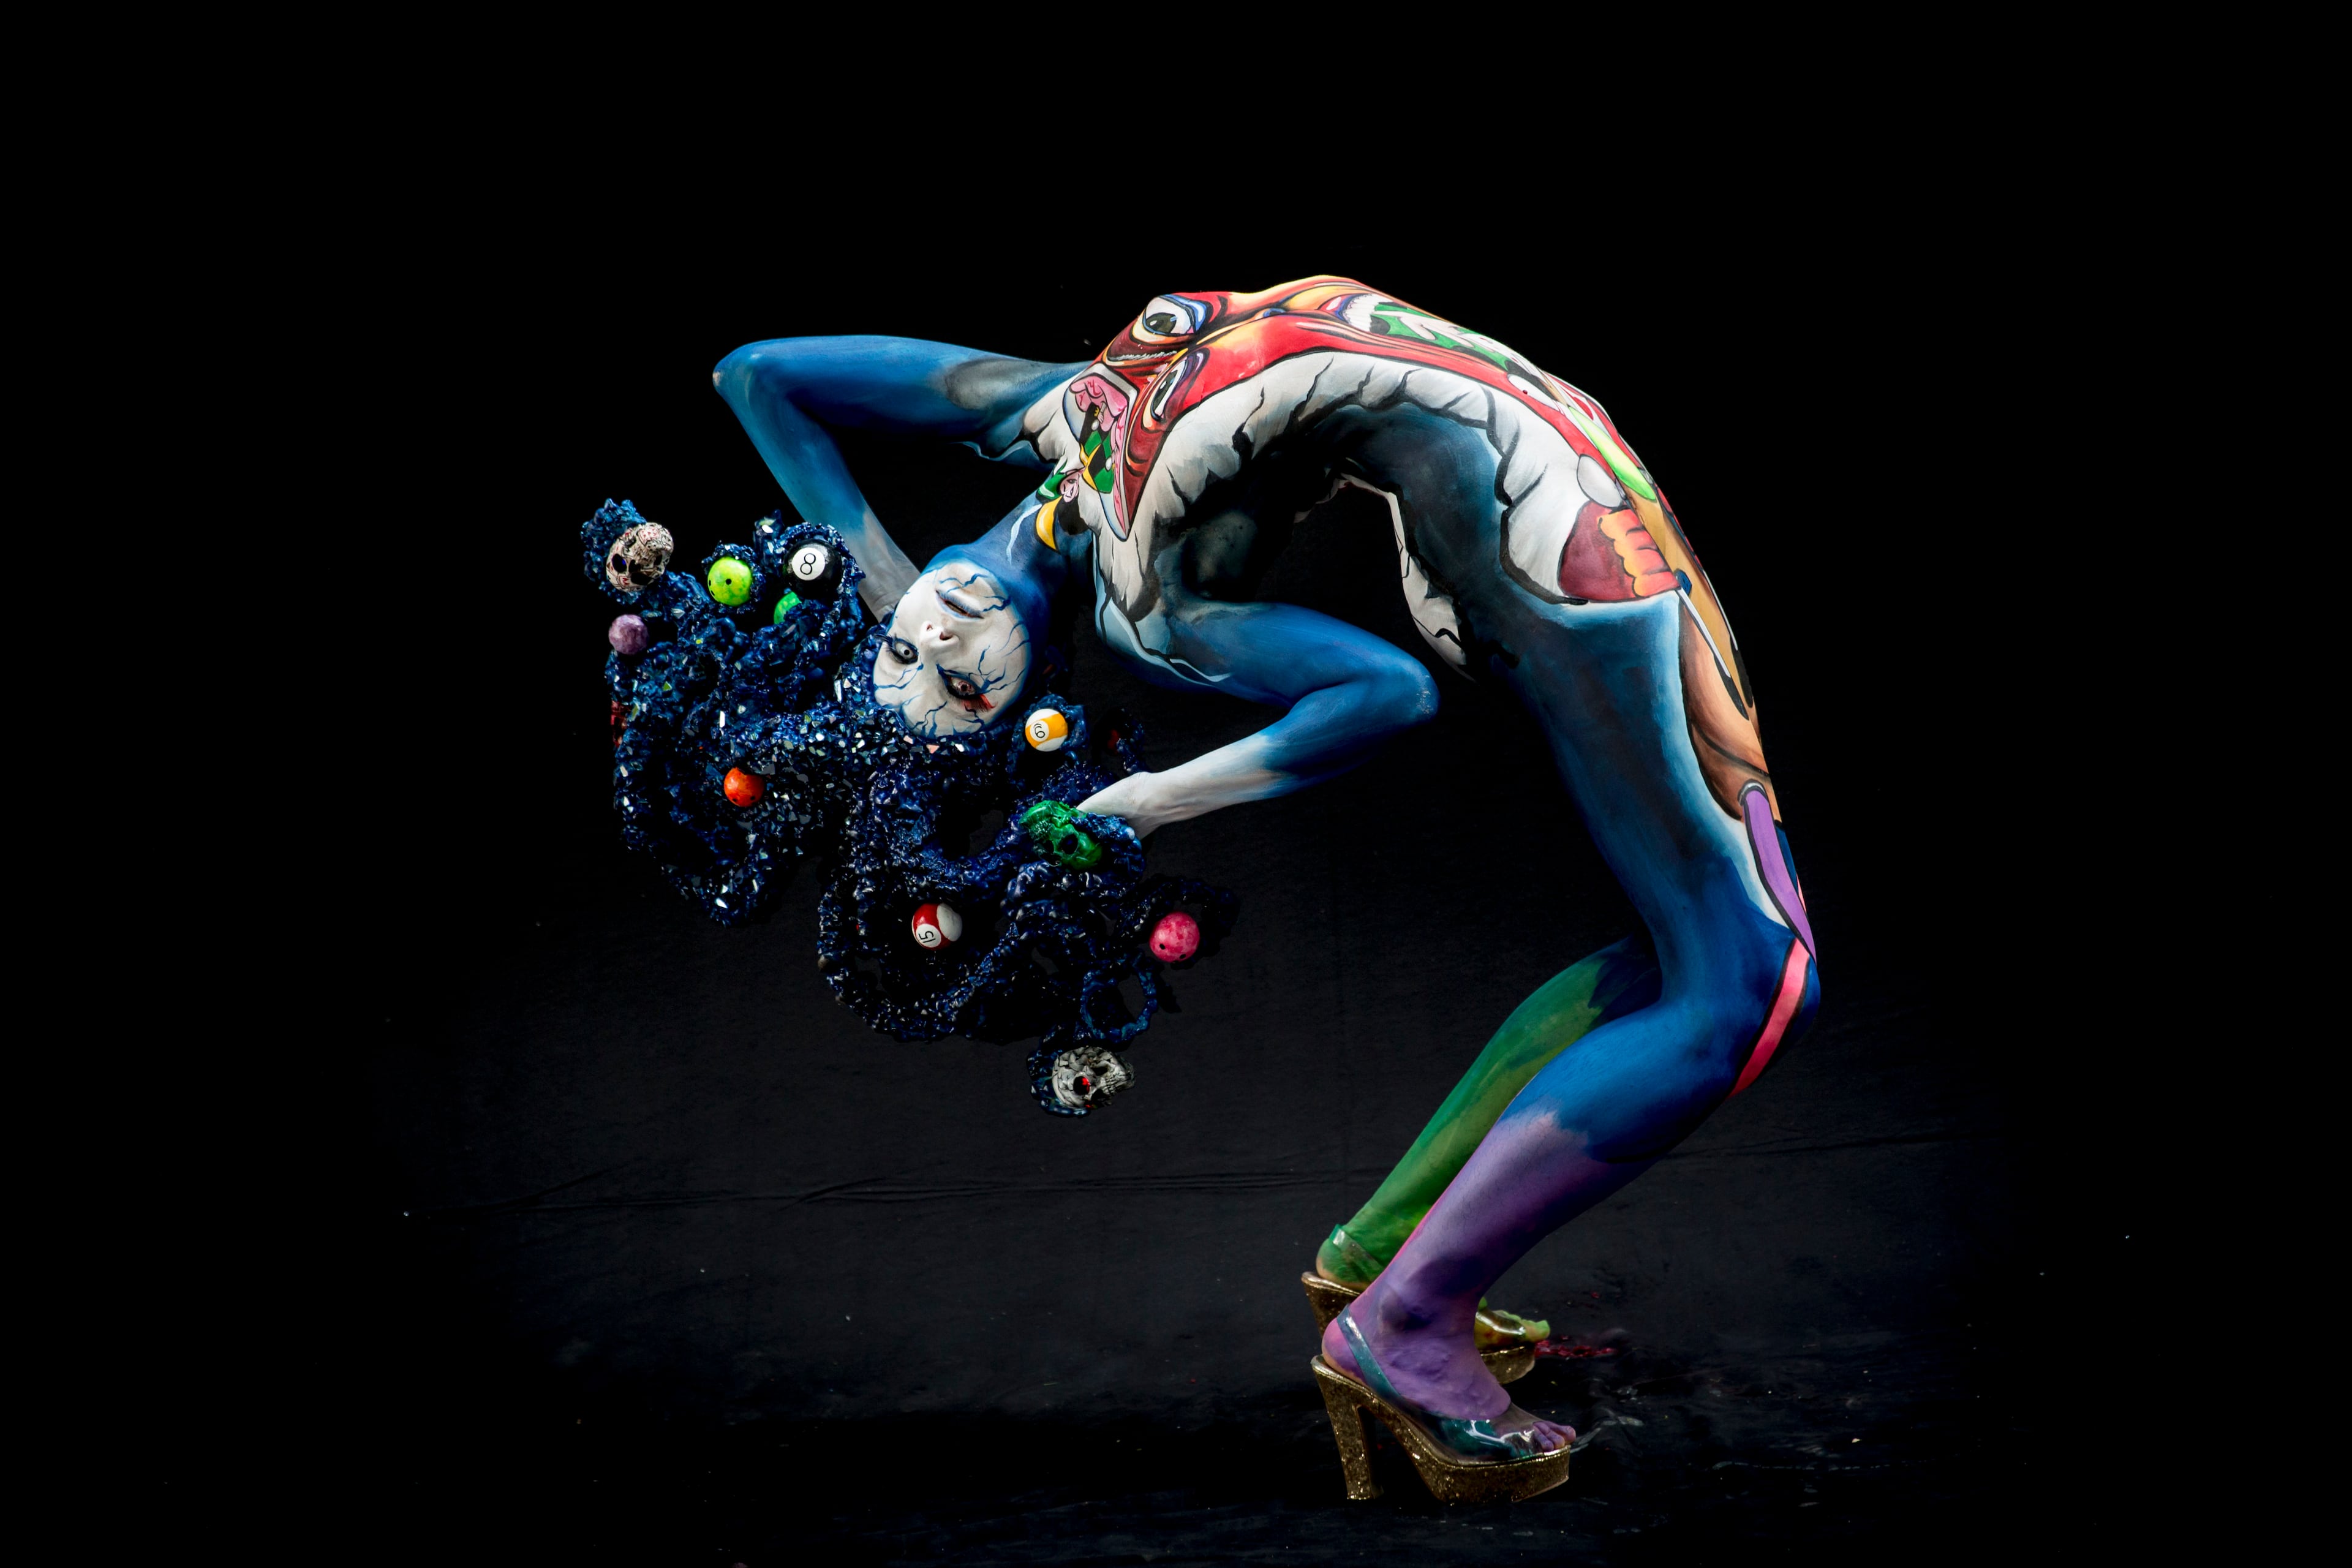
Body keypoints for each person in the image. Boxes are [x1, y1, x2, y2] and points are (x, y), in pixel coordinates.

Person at [710, 277, 1819, 1499]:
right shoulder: (1157, 615)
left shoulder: (1037, 411)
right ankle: (1404, 1324)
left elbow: (759, 372)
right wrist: (1150, 801)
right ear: (1025, 713)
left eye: (904, 650)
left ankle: (1386, 1261)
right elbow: (1385, 694)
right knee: (1754, 984)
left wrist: (875, 570)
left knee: (1693, 970)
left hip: (1569, 456)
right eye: (964, 695)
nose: (945, 645)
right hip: (1553, 537)